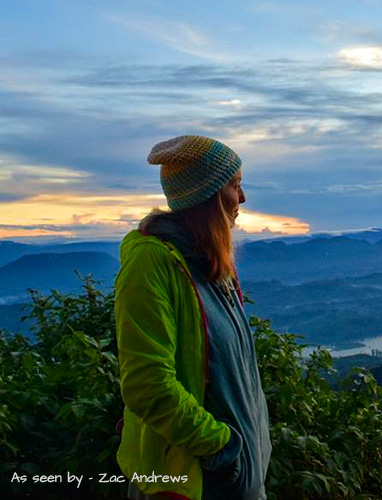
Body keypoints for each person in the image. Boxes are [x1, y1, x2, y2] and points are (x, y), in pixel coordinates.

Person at [115, 135, 271, 500]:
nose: (243, 198)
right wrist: (223, 447)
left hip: (233, 482)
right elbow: (147, 384)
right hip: (190, 486)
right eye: (236, 185)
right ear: (210, 196)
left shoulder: (211, 265)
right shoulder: (152, 263)